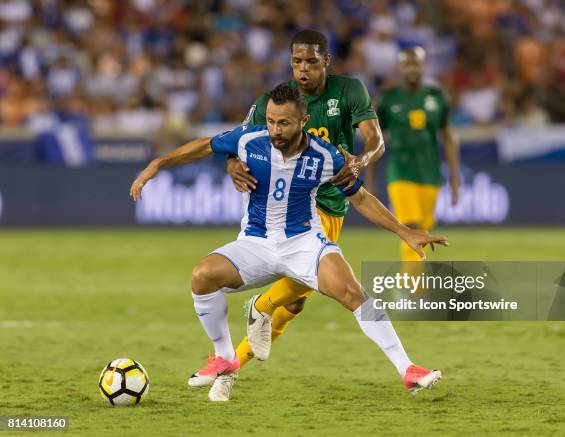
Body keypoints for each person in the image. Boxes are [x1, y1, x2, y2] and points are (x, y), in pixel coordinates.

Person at [130, 84, 447, 401]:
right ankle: (224, 356)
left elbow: (361, 198)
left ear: (303, 121)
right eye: (270, 121)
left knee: (352, 292)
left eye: (283, 123)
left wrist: (405, 231)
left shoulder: (326, 155)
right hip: (255, 243)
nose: (275, 129)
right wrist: (159, 163)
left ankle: (407, 369)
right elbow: (205, 146)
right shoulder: (250, 140)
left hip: (304, 243)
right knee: (201, 277)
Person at [226, 29, 387, 367]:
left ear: (326, 61)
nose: (303, 69)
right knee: (305, 282)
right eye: (297, 61)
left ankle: (232, 364)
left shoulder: (348, 91)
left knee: (296, 302)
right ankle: (246, 336)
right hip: (286, 203)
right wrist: (232, 164)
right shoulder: (274, 101)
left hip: (330, 201)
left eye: (311, 62)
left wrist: (361, 160)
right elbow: (235, 141)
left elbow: (375, 140)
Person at [373, 46, 460, 262]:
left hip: (430, 174)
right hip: (400, 173)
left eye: (416, 63)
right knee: (409, 227)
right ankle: (412, 292)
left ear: (424, 66)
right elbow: (374, 139)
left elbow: (448, 138)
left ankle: (415, 287)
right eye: (407, 64)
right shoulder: (388, 99)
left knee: (422, 232)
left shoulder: (437, 97)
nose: (412, 69)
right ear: (400, 68)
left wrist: (455, 180)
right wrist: (370, 179)